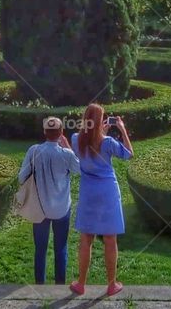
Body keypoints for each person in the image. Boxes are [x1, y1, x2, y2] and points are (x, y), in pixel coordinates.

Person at [70, 103, 133, 297]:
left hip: (88, 191)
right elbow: (129, 153)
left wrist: (101, 132)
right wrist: (121, 129)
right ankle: (112, 284)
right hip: (107, 192)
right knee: (110, 238)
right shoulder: (108, 142)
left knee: (86, 238)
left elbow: (88, 144)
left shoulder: (75, 139)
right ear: (100, 121)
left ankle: (80, 284)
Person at [17, 116, 80, 285]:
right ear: (61, 133)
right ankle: (60, 285)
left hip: (40, 208)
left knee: (40, 249)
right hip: (62, 209)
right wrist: (68, 147)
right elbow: (79, 169)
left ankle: (40, 285)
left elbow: (21, 177)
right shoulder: (66, 154)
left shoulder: (34, 151)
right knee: (61, 248)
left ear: (45, 132)